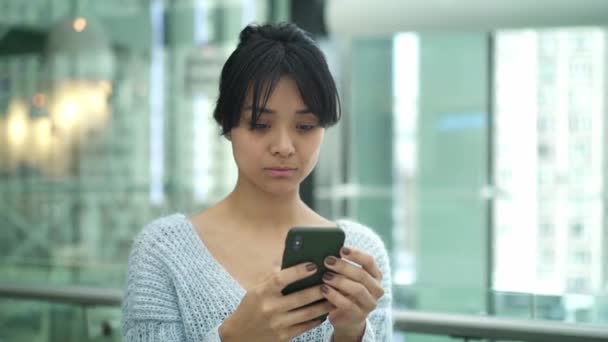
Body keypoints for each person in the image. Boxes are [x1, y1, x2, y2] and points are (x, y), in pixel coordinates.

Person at [122, 22, 393, 342]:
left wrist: (351, 333)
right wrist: (234, 336)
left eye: (305, 126)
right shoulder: (163, 251)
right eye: (260, 124)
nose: (283, 146)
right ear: (227, 124)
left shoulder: (359, 254)